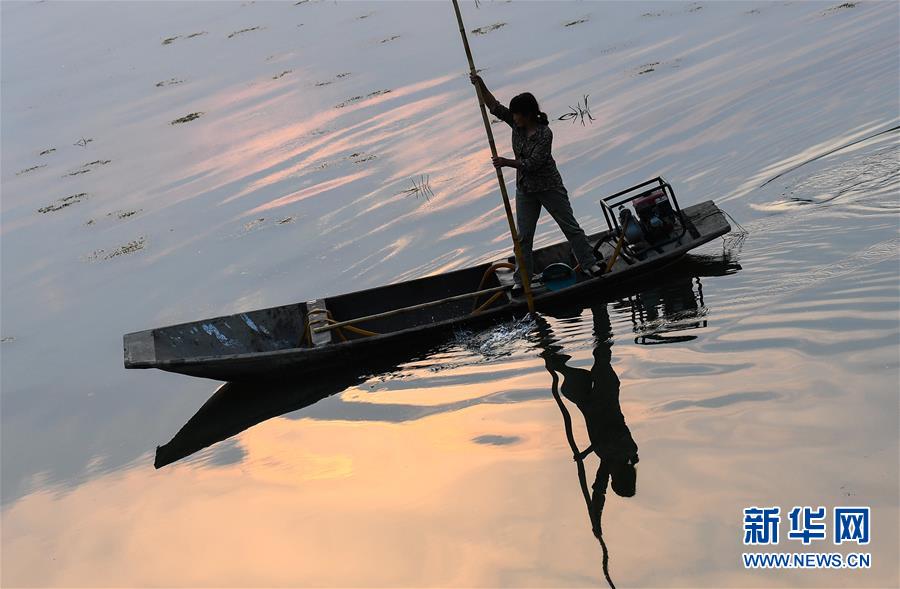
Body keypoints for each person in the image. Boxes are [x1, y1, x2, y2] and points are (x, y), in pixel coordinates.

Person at [469, 74, 603, 288]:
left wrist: (506, 162)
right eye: (513, 114)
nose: (514, 118)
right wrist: (480, 83)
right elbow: (494, 107)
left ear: (528, 114)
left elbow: (533, 164)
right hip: (526, 190)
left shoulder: (544, 134)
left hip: (549, 186)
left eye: (517, 114)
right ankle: (522, 280)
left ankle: (589, 264)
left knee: (570, 227)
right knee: (523, 238)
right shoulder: (516, 126)